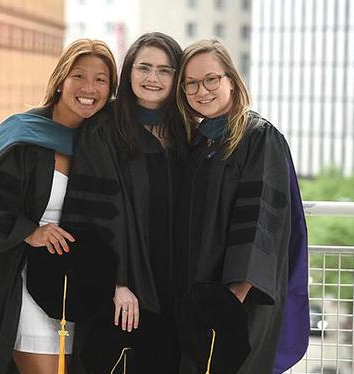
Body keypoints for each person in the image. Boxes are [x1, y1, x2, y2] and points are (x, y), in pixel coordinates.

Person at [0, 39, 118, 374]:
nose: (89, 88)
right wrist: (31, 231)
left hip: (72, 286)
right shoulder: (23, 136)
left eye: (101, 79)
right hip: (22, 280)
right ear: (61, 80)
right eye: (79, 75)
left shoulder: (100, 145)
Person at [174, 39, 310, 374]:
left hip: (237, 302)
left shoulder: (258, 138)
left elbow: (262, 222)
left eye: (211, 79)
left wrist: (231, 300)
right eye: (190, 83)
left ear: (232, 81)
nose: (200, 90)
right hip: (196, 296)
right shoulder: (197, 142)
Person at [67, 32, 187, 373]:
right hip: (124, 292)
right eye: (144, 67)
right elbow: (92, 214)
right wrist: (118, 282)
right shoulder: (104, 130)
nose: (153, 78)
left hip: (174, 285)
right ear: (129, 71)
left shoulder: (185, 133)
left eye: (165, 70)